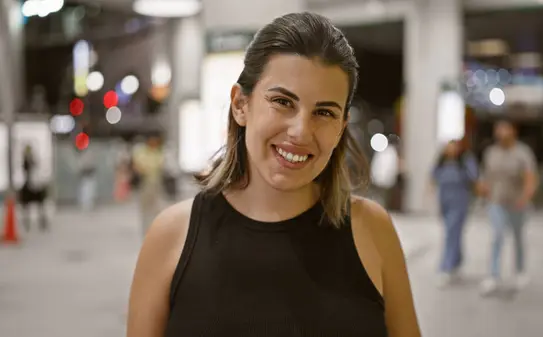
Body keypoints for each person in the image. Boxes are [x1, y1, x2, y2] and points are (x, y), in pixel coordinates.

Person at [127, 12, 420, 337]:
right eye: (282, 101)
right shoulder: (171, 237)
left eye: (324, 112)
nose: (300, 131)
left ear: (341, 128)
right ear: (241, 104)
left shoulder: (372, 230)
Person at [478, 119, 538, 296]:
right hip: (496, 202)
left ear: (513, 132)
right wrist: (483, 192)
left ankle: (520, 271)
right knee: (497, 237)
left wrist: (526, 196)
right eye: (498, 130)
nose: (501, 133)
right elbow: (485, 176)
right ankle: (493, 275)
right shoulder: (491, 153)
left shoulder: (522, 153)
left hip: (517, 202)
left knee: (518, 237)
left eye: (505, 130)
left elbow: (530, 177)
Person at [431, 140, 478, 287]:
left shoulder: (465, 161)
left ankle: (446, 266)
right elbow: (433, 177)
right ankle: (456, 262)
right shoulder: (442, 162)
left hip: (460, 202)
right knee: (453, 234)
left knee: (451, 233)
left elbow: (474, 177)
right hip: (445, 202)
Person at [132, 134, 165, 235]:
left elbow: (160, 165)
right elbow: (139, 167)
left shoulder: (157, 153)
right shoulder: (141, 152)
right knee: (145, 210)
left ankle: (155, 230)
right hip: (145, 183)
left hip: (155, 184)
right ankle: (146, 231)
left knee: (156, 209)